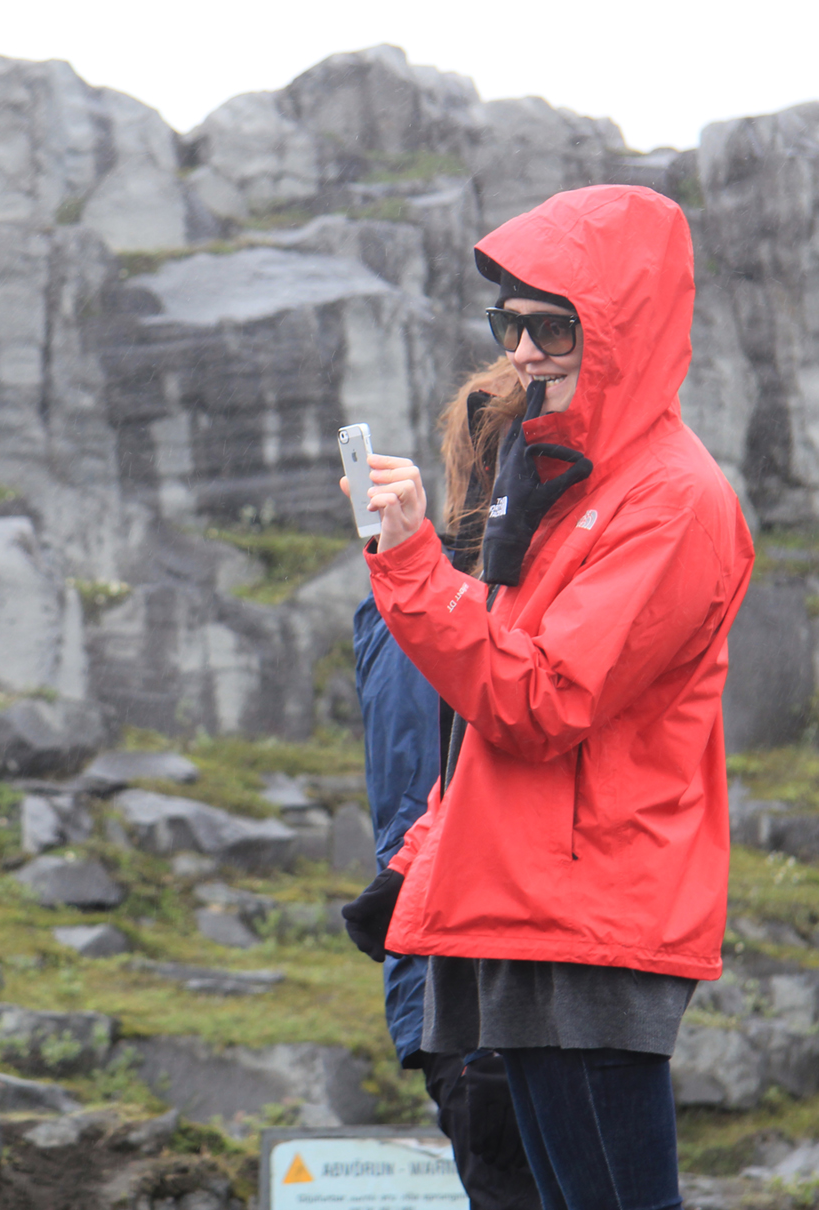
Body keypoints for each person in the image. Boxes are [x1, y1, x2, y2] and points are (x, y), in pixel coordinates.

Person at [343, 185, 754, 1207]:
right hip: (526, 906)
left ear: (619, 328)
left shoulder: (669, 496)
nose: (522, 349)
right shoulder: (567, 481)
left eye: (550, 324)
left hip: (593, 912)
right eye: (510, 323)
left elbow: (539, 699)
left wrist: (411, 565)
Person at [348, 358, 537, 1208]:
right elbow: (453, 782)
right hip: (487, 966)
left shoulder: (407, 597)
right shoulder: (463, 603)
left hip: (448, 969)